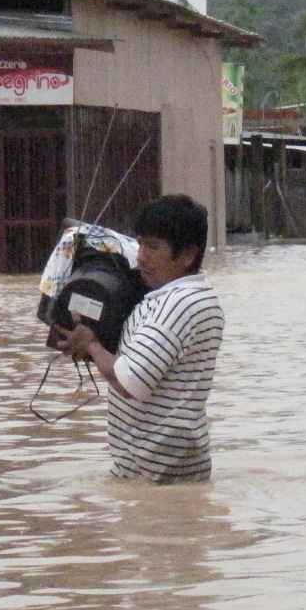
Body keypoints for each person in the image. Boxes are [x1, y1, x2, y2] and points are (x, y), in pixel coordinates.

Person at [55, 194, 225, 483]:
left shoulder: (178, 304)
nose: (141, 256)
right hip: (166, 469)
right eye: (141, 243)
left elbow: (131, 381)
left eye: (154, 247)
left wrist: (92, 346)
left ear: (187, 255)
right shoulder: (187, 297)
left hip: (159, 475)